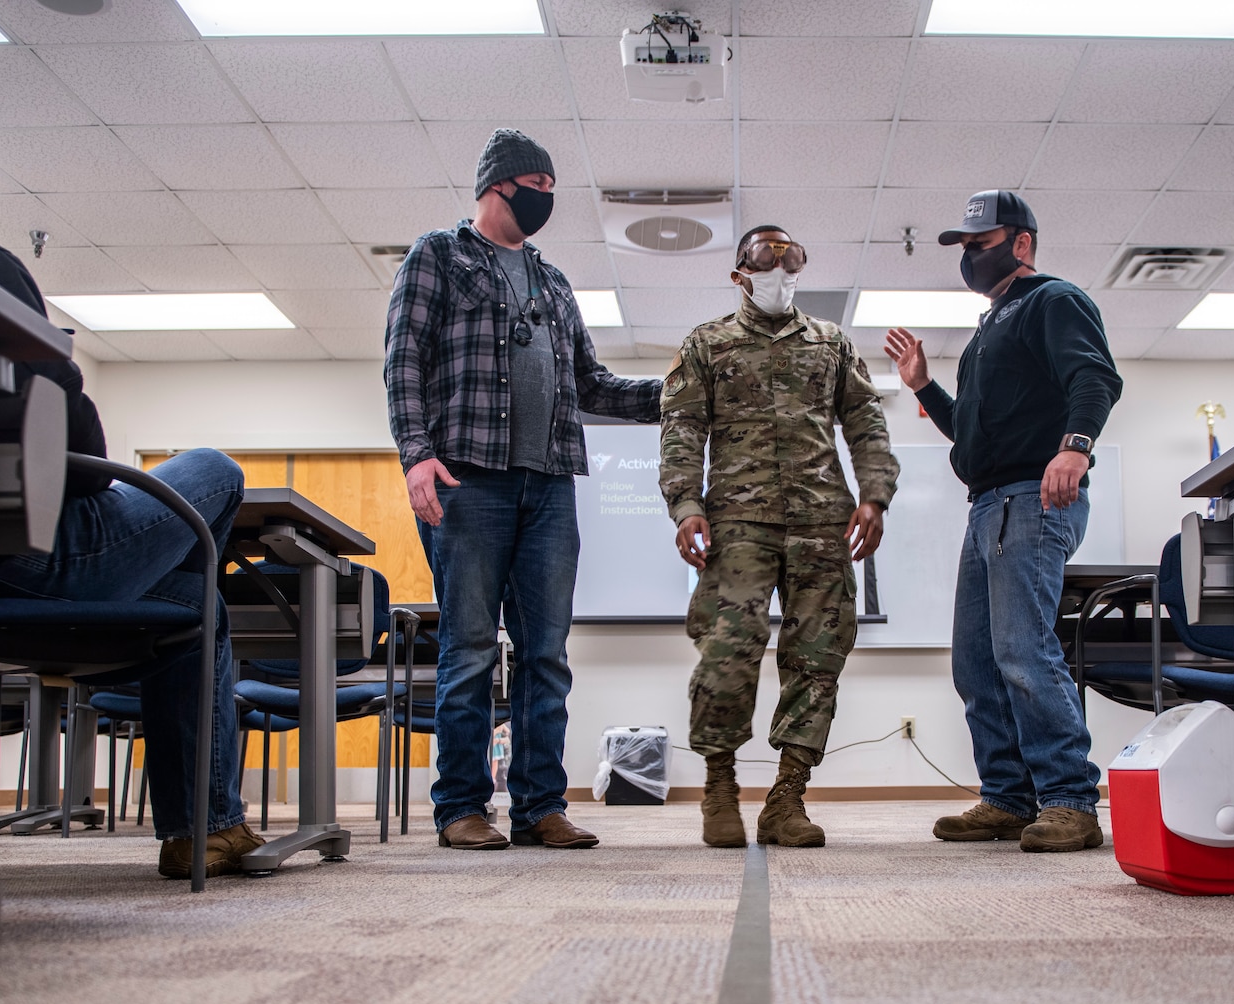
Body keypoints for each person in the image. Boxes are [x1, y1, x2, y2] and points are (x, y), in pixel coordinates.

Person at [0, 73, 258, 879]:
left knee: (195, 602)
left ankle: (203, 789)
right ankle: (202, 822)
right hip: (20, 554)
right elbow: (80, 447)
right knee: (212, 476)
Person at [385, 129, 662, 851]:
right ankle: (460, 808)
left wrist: (679, 392)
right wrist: (416, 454)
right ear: (496, 185)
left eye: (549, 185)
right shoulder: (437, 257)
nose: (546, 196)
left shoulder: (554, 281)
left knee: (546, 652)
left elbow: (593, 383)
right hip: (468, 479)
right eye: (534, 183)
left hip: (548, 489)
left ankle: (541, 805)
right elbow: (403, 362)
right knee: (471, 647)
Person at [884, 191, 1123, 852]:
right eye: (963, 246)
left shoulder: (1053, 300)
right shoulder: (987, 332)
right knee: (978, 663)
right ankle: (1008, 797)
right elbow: (969, 433)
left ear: (1021, 243)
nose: (969, 255)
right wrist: (924, 387)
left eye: (979, 243)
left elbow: (1095, 377)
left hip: (1032, 496)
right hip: (988, 502)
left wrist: (1075, 446)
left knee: (1023, 650)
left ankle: (1070, 798)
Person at [660, 226, 898, 848]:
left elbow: (867, 422)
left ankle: (786, 798)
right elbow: (681, 430)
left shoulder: (831, 343)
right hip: (738, 523)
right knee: (726, 653)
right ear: (740, 273)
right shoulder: (707, 344)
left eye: (793, 258)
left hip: (823, 522)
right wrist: (685, 505)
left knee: (817, 660)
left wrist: (874, 494)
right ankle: (719, 788)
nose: (783, 269)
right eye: (768, 258)